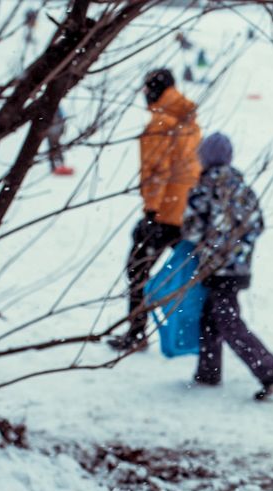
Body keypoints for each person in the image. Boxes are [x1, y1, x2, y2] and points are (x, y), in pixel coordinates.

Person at [183, 133, 273, 400]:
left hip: (215, 267)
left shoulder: (204, 188)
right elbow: (258, 224)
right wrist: (238, 247)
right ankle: (208, 371)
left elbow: (191, 229)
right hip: (238, 267)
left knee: (227, 321)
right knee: (212, 316)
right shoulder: (242, 187)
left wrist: (210, 245)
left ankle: (269, 370)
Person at [110, 68, 202, 352]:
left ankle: (137, 333)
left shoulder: (161, 123)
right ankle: (199, 338)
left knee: (137, 270)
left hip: (164, 213)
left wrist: (151, 211)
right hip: (187, 212)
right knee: (189, 275)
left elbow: (157, 172)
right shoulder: (190, 123)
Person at [47, 107, 73, 175]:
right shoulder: (55, 109)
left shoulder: (57, 109)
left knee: (54, 147)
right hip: (52, 131)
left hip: (54, 131)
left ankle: (58, 165)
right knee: (54, 148)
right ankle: (56, 166)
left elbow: (63, 119)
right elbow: (63, 119)